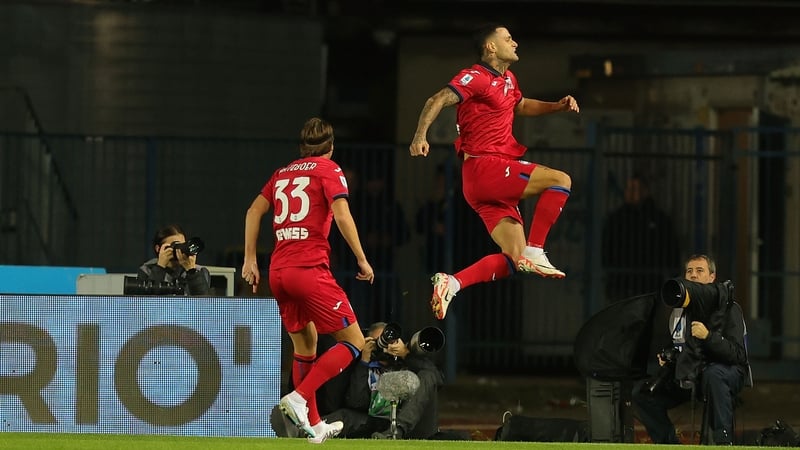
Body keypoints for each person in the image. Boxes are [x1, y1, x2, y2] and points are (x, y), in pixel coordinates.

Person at [408, 23, 580, 320]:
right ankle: (536, 249)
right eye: (508, 38)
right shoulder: (476, 76)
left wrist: (556, 107)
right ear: (490, 47)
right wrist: (419, 136)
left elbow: (520, 105)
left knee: (514, 258)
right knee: (560, 180)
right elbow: (436, 99)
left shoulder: (509, 79)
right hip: (487, 168)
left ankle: (453, 283)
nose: (515, 43)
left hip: (483, 182)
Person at [241, 117, 375, 444]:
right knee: (355, 342)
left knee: (305, 345)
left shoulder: (282, 173)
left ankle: (314, 426)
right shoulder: (329, 169)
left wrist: (250, 259)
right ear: (331, 147)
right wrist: (361, 257)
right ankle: (299, 397)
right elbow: (342, 214)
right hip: (308, 269)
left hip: (278, 272)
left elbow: (253, 211)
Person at [633, 254, 751, 445]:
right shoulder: (678, 312)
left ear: (712, 277)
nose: (693, 275)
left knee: (714, 374)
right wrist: (669, 357)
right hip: (692, 372)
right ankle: (669, 445)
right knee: (642, 393)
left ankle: (723, 442)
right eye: (689, 271)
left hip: (727, 372)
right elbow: (679, 347)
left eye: (699, 270)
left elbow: (738, 355)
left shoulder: (729, 308)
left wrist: (708, 336)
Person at [602, 174, 680, 302]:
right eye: (628, 189)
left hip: (649, 285)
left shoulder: (659, 219)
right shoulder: (617, 219)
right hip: (621, 284)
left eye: (634, 189)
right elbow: (606, 247)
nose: (630, 193)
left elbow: (670, 249)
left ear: (645, 191)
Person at [137, 224, 211, 295]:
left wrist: (191, 271)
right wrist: (160, 267)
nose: (179, 250)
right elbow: (147, 300)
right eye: (175, 245)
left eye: (182, 245)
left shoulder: (199, 271)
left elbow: (204, 301)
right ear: (158, 248)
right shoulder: (147, 270)